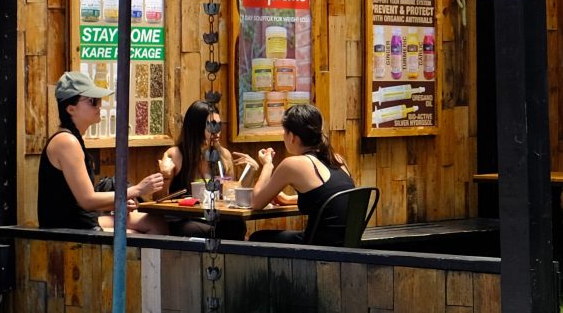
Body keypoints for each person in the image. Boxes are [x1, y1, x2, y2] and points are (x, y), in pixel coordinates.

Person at [38, 70, 164, 230]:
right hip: (68, 229)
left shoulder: (71, 138)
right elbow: (87, 200)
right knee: (149, 227)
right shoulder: (66, 141)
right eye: (92, 101)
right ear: (71, 109)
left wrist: (118, 201)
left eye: (99, 100)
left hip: (77, 222)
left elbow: (80, 200)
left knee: (154, 221)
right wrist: (137, 190)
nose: (99, 105)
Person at [245, 103, 354, 240]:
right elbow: (327, 197)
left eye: (285, 132)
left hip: (318, 249)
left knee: (257, 237)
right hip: (345, 246)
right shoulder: (337, 159)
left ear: (293, 137)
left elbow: (257, 202)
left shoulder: (293, 164)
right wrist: (287, 199)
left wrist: (267, 165)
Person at [136, 100, 231, 235]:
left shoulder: (224, 156)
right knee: (211, 232)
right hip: (182, 220)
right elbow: (158, 200)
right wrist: (166, 176)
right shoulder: (175, 155)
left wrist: (250, 171)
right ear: (196, 128)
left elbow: (231, 194)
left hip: (215, 217)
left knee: (236, 226)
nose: (217, 131)